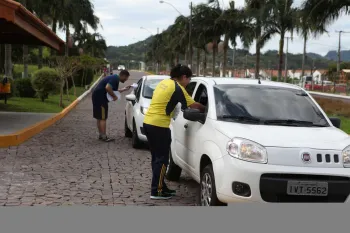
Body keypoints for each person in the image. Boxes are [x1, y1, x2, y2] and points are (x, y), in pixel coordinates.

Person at [143, 64, 206, 200]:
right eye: (189, 79)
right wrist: (207, 109)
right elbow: (194, 105)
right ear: (183, 77)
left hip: (148, 122)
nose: (188, 82)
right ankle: (157, 191)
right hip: (159, 125)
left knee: (156, 158)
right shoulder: (178, 88)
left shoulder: (164, 82)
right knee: (162, 159)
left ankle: (161, 187)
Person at [92, 70, 131, 142]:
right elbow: (107, 87)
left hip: (97, 97)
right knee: (103, 118)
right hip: (101, 99)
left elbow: (113, 90)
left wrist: (123, 89)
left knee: (99, 117)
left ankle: (101, 135)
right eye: (126, 78)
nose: (126, 80)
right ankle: (104, 137)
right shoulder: (115, 79)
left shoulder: (114, 78)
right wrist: (114, 97)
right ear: (123, 76)